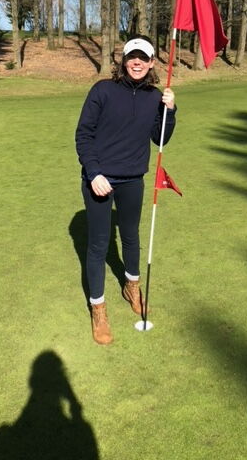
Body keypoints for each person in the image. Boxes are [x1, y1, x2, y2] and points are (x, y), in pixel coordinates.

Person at [75, 37, 177, 345]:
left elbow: (160, 139)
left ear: (151, 63)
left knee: (131, 236)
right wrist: (94, 173)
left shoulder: (154, 96)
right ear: (124, 60)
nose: (137, 62)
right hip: (99, 179)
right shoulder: (103, 90)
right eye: (132, 56)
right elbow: (84, 134)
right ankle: (98, 308)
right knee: (98, 244)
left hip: (133, 179)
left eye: (143, 58)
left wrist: (170, 110)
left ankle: (132, 287)